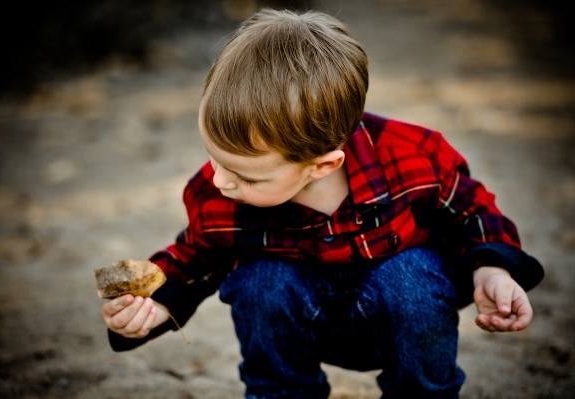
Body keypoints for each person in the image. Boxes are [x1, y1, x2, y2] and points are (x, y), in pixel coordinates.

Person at [101, 9, 544, 399]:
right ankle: (282, 394)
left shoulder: (413, 158)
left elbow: (473, 211)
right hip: (294, 324)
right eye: (215, 158)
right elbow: (196, 254)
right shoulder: (220, 191)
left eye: (246, 175)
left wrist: (493, 268)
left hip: (400, 316)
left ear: (321, 164)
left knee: (411, 276)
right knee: (260, 280)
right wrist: (156, 305)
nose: (220, 180)